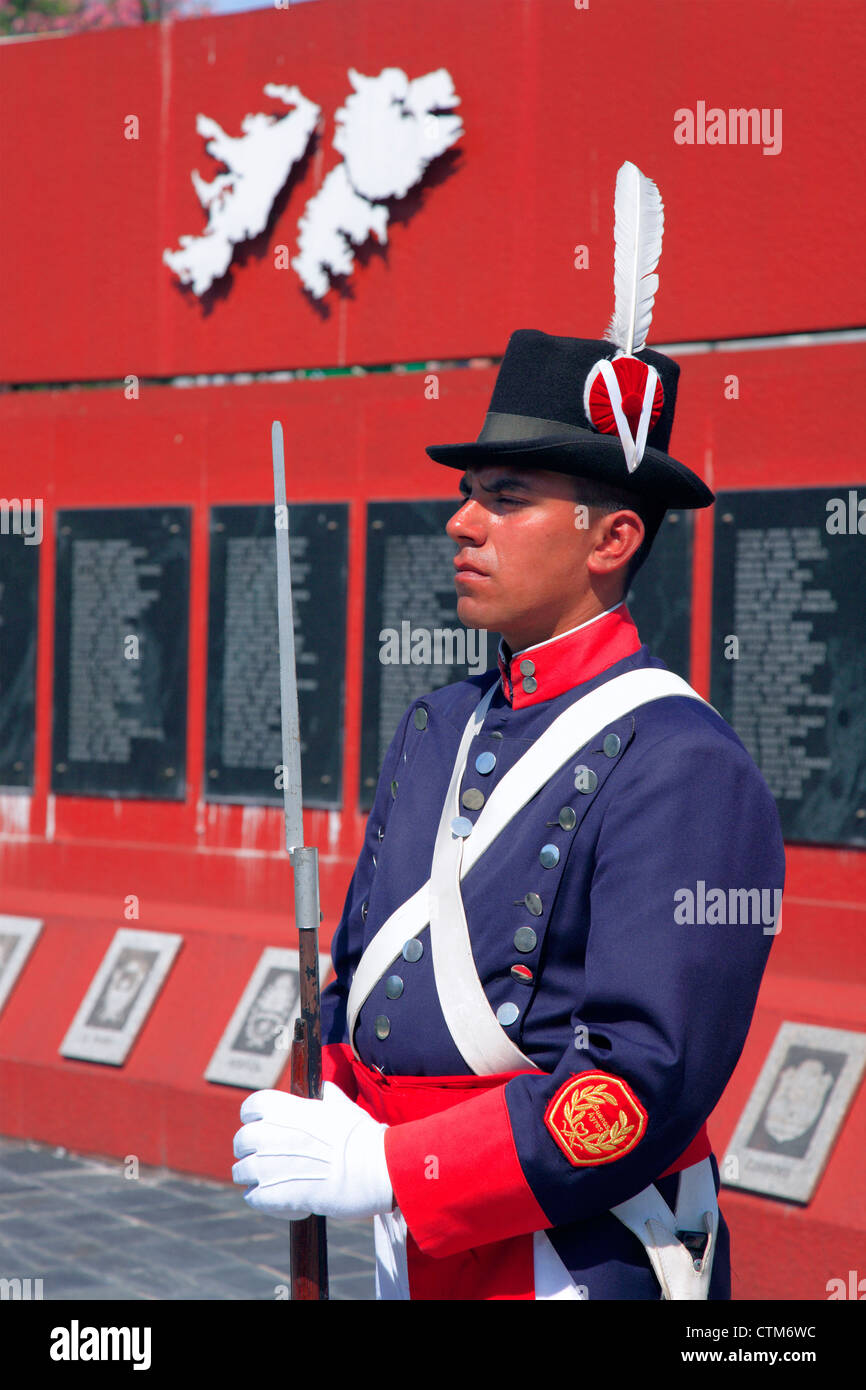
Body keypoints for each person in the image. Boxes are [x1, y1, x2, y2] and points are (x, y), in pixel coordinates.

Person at [231, 324, 786, 1300]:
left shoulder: (683, 763)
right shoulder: (438, 724)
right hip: (413, 1247)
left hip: (572, 1256)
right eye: (466, 493)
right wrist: (316, 1113)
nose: (461, 522)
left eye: (505, 498)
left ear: (610, 538)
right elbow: (365, 977)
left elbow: (636, 1084)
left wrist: (399, 1169)